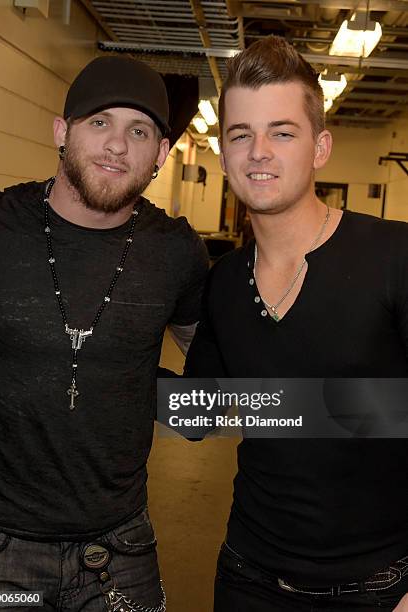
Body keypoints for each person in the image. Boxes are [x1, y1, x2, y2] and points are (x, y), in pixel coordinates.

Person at [0, 55, 208, 611]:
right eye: (99, 122)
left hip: (120, 549)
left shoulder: (176, 251)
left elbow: (219, 372)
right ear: (62, 131)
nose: (117, 146)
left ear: (161, 153)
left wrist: (150, 392)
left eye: (139, 131)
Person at [185, 36, 408, 611]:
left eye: (282, 132)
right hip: (247, 578)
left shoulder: (394, 257)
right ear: (224, 150)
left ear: (320, 147)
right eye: (241, 134)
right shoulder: (225, 281)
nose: (259, 151)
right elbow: (200, 410)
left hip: (378, 589)